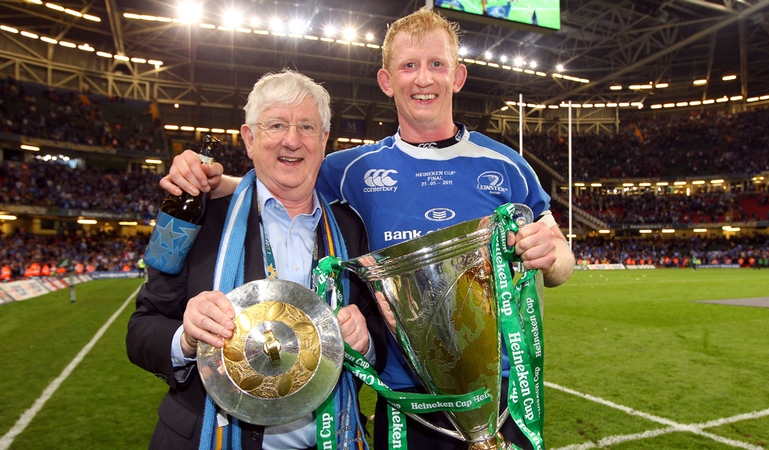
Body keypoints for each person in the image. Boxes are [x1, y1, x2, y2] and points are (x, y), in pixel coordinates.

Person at [160, 9, 574, 450]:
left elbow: (561, 262)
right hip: (405, 400)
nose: (423, 79)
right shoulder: (352, 169)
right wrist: (202, 180)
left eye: (437, 64)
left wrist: (551, 254)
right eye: (409, 66)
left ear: (458, 76)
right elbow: (278, 183)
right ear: (385, 80)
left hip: (499, 393)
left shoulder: (506, 165)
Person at [127, 70, 387, 450]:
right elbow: (140, 329)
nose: (292, 140)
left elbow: (378, 332)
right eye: (277, 125)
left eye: (307, 127)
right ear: (249, 139)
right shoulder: (193, 215)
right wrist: (187, 337)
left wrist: (365, 342)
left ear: (324, 140)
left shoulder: (350, 228)